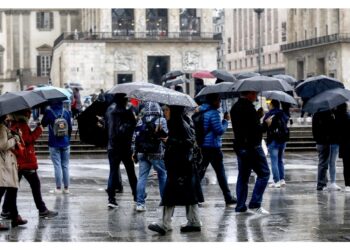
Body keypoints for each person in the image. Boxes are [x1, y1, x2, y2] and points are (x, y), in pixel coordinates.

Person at [148, 105, 204, 235]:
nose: (165, 112)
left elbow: (188, 142)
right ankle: (194, 221)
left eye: (167, 110)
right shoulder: (178, 122)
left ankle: (164, 224)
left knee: (169, 194)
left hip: (180, 166)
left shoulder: (177, 123)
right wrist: (162, 135)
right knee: (189, 195)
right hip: (183, 166)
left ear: (173, 111)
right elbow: (179, 142)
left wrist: (170, 139)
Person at [1, 110, 58, 219]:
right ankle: (42, 210)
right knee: (35, 185)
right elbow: (28, 139)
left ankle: (5, 210)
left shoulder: (12, 124)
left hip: (18, 161)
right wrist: (40, 127)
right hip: (26, 161)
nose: (30, 114)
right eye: (28, 112)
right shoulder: (21, 124)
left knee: (12, 188)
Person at [230, 91, 270, 215]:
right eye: (255, 94)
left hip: (240, 147)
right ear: (249, 94)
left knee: (243, 177)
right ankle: (255, 203)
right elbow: (255, 130)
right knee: (264, 174)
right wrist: (266, 124)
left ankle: (240, 206)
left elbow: (244, 126)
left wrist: (257, 116)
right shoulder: (249, 108)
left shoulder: (235, 108)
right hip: (252, 147)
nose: (256, 96)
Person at [196, 93, 237, 206]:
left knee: (200, 172)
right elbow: (219, 131)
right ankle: (228, 197)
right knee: (220, 173)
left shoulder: (201, 111)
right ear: (213, 101)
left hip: (203, 146)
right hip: (213, 147)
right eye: (218, 100)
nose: (219, 103)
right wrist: (225, 121)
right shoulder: (213, 113)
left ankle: (194, 196)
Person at [133, 102, 168, 212]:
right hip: (156, 153)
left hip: (142, 152)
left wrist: (134, 152)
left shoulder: (140, 120)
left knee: (142, 177)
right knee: (162, 175)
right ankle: (164, 201)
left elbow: (135, 138)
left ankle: (140, 203)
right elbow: (165, 135)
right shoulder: (160, 120)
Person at [105, 93, 137, 208]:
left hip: (112, 147)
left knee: (113, 172)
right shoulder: (128, 112)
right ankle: (136, 195)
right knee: (131, 172)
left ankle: (111, 198)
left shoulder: (109, 112)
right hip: (125, 147)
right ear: (124, 101)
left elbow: (106, 127)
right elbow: (133, 127)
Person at [0, 115, 27, 229]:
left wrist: (16, 135)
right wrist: (14, 139)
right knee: (1, 192)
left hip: (9, 164)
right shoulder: (1, 128)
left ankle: (15, 217)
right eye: (7, 117)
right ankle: (14, 217)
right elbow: (3, 145)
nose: (9, 119)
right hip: (4, 164)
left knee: (12, 191)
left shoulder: (4, 127)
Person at [41, 101, 72, 194]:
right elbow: (69, 127)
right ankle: (66, 188)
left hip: (53, 143)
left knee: (57, 166)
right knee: (65, 166)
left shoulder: (49, 111)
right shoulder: (66, 112)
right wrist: (67, 139)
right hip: (65, 143)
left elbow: (43, 124)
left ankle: (58, 188)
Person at [312, 110, 341, 191]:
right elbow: (330, 128)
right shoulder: (327, 115)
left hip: (319, 142)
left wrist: (316, 139)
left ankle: (323, 182)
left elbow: (314, 130)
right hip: (325, 142)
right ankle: (321, 184)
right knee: (323, 164)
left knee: (322, 163)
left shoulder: (316, 114)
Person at [263, 100, 289, 188]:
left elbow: (264, 125)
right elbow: (286, 120)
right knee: (280, 160)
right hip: (282, 139)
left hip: (273, 140)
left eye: (269, 104)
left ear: (272, 105)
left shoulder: (269, 114)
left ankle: (276, 181)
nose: (268, 105)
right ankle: (282, 180)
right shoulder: (283, 113)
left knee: (274, 161)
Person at [334, 103, 350, 192]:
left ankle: (347, 184)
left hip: (343, 145)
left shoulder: (337, 117)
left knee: (346, 166)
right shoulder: (348, 116)